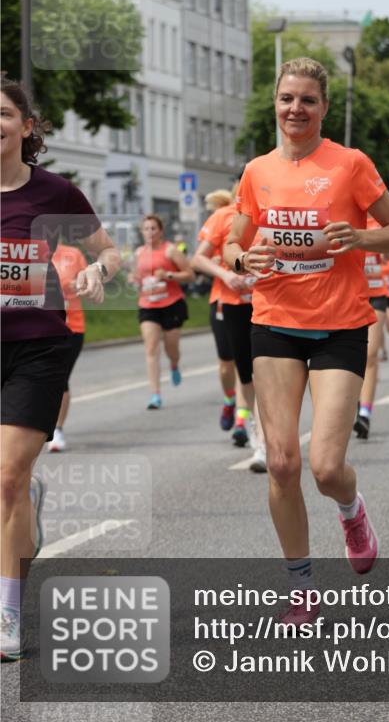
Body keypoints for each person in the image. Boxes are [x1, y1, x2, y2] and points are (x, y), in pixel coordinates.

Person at [224, 58, 389, 620]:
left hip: (339, 325)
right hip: (274, 322)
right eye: (287, 98)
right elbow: (233, 242)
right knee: (282, 463)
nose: (296, 109)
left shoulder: (350, 164)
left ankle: (351, 509)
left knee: (326, 467)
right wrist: (242, 259)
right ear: (275, 104)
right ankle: (302, 587)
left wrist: (358, 236)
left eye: (308, 99)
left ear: (324, 108)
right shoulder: (256, 171)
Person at [1, 77, 120, 661]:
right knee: (8, 484)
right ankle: (27, 501)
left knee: (5, 477)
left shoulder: (55, 192)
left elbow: (109, 250)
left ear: (26, 126)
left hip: (37, 347)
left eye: (3, 114)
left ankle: (8, 613)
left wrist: (99, 270)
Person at [191, 187, 267, 471]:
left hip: (266, 304)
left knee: (262, 373)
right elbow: (198, 258)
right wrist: (225, 274)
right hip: (231, 303)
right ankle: (232, 402)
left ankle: (259, 439)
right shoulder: (224, 216)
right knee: (233, 366)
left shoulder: (275, 214)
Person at [130, 215, 194, 410]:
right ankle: (155, 394)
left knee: (171, 348)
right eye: (146, 229)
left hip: (171, 304)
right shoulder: (139, 252)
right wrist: (133, 279)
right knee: (151, 348)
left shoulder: (170, 250)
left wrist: (168, 275)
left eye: (153, 229)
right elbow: (136, 275)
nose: (150, 232)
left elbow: (190, 275)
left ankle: (174, 364)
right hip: (148, 305)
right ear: (142, 232)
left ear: (160, 231)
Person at [49, 243, 89, 452]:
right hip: (40, 328)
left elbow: (88, 285)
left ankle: (57, 430)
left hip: (71, 326)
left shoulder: (73, 254)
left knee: (60, 377)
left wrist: (78, 285)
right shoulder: (30, 251)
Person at [354, 217, 388, 439]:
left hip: (375, 293)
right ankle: (353, 402)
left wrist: (386, 240)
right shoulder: (341, 213)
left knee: (370, 354)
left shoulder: (380, 217)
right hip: (348, 294)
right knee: (351, 357)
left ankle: (365, 413)